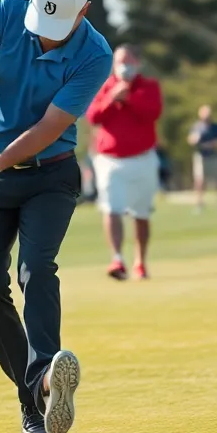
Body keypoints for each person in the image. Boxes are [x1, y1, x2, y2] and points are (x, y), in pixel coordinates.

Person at [0, 0, 112, 433]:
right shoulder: (4, 12)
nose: (46, 39)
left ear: (84, 11)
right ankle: (39, 393)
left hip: (51, 175)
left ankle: (45, 370)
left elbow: (50, 127)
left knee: (36, 268)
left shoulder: (95, 55)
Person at [85, 44, 163, 280]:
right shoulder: (105, 87)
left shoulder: (149, 87)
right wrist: (111, 99)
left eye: (128, 61)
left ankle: (140, 261)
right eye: (119, 61)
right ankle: (117, 259)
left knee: (141, 213)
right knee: (112, 209)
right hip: (110, 160)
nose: (123, 66)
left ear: (137, 63)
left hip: (142, 159)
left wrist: (128, 98)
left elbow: (153, 112)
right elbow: (93, 116)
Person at [187, 105, 217, 212]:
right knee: (199, 180)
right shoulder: (197, 127)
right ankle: (199, 203)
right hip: (201, 156)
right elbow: (190, 139)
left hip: (214, 155)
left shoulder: (216, 127)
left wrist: (213, 144)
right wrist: (194, 139)